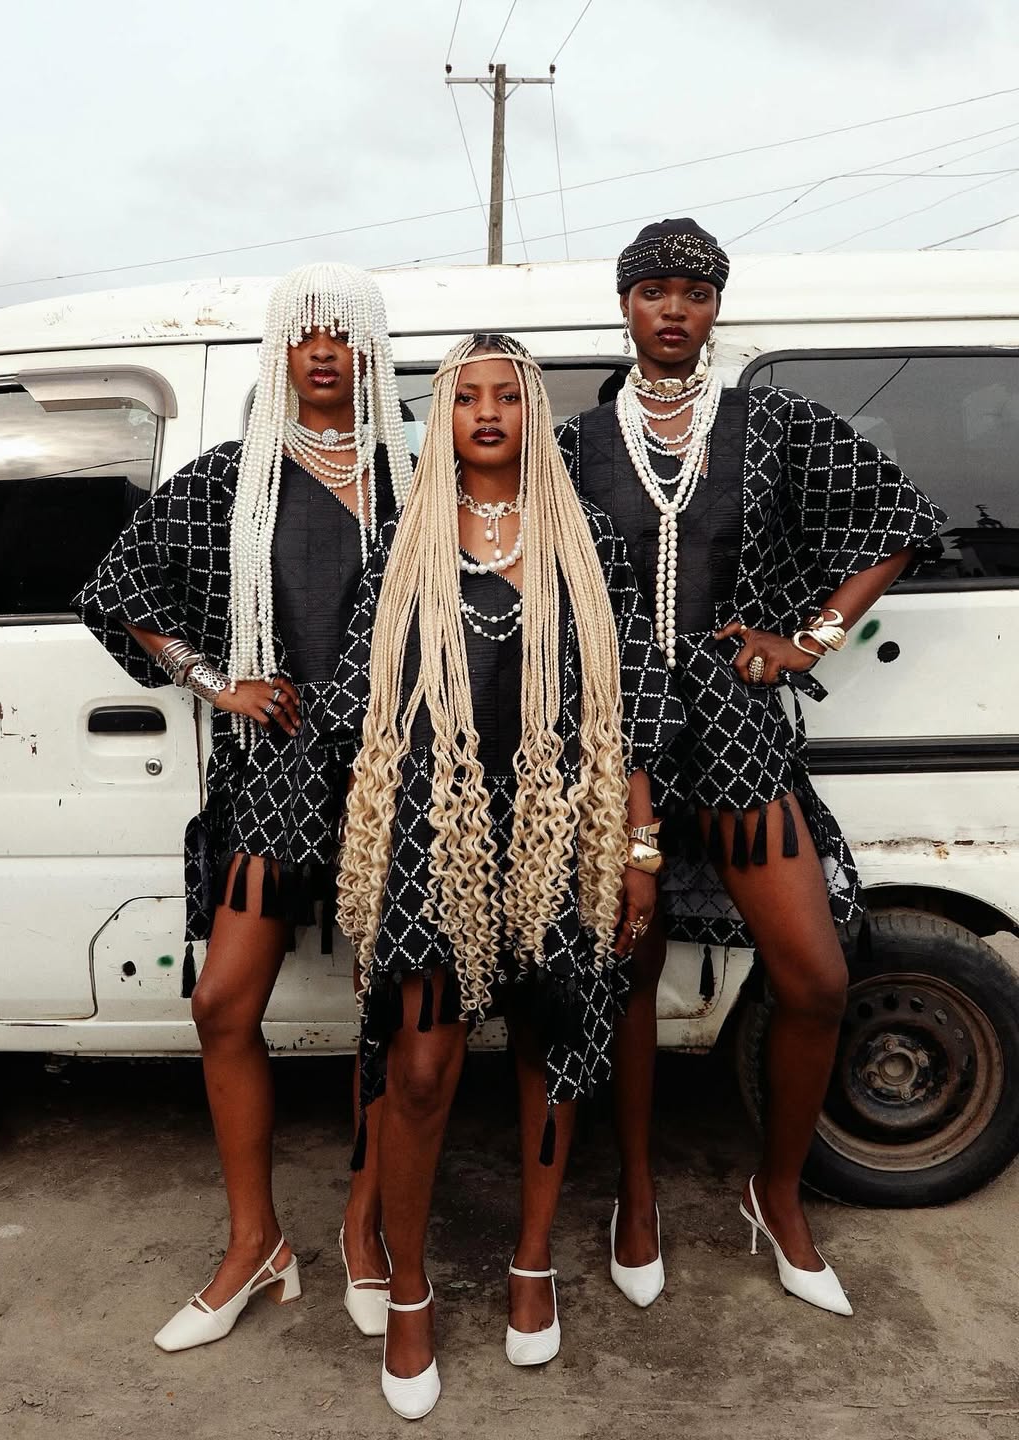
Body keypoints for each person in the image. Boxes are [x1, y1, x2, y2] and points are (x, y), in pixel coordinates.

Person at [558, 220, 946, 1317]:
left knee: (816, 978)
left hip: (735, 722)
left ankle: (775, 1193)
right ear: (624, 306)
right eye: (653, 293)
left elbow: (895, 523)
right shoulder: (579, 445)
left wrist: (808, 640)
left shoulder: (771, 424)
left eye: (693, 293)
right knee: (625, 974)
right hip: (620, 732)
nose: (673, 311)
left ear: (716, 307)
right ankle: (635, 1193)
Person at [311, 333, 684, 1418]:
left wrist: (640, 845)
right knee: (421, 1069)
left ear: (531, 416)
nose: (485, 413)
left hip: (570, 824)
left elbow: (640, 691)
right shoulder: (404, 543)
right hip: (435, 831)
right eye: (464, 397)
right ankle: (413, 1286)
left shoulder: (587, 536)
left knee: (551, 1042)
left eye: (505, 397)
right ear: (443, 417)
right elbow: (352, 694)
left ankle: (533, 1265)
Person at [73, 263, 413, 1351]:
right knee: (223, 1002)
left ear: (371, 352)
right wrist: (216, 680)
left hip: (396, 774)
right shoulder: (236, 478)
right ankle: (256, 1242)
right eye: (304, 333)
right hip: (273, 773)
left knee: (388, 1012)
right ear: (281, 352)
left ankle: (366, 1229)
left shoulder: (417, 480)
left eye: (343, 333)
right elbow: (120, 593)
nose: (323, 350)